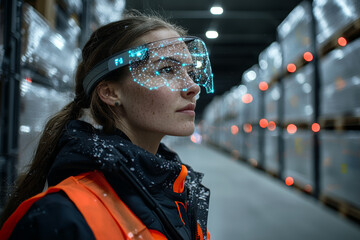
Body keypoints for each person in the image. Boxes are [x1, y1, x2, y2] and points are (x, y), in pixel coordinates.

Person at [0, 11, 213, 240]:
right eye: (167, 69)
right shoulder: (61, 217)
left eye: (190, 72)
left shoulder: (178, 194)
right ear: (110, 92)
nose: (192, 86)